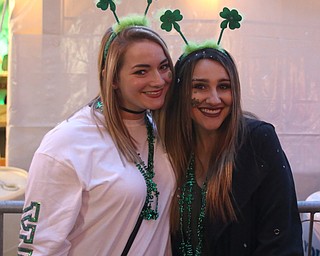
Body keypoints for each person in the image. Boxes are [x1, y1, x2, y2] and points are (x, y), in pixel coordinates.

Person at [17, 22, 176, 255]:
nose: (159, 80)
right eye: (141, 71)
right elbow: (38, 247)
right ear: (112, 78)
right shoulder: (66, 143)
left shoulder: (161, 131)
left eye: (163, 67)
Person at [160, 47, 303, 255]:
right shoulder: (168, 147)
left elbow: (281, 240)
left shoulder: (257, 142)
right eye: (200, 86)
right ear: (181, 93)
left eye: (224, 86)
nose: (214, 99)